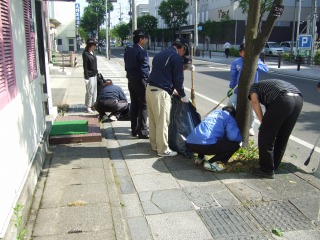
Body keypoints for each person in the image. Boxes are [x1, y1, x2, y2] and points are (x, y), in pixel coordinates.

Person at [248, 79, 303, 179]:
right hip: (298, 98)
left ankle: (266, 170)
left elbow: (255, 102)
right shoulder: (269, 87)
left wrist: (262, 121)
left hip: (283, 99)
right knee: (282, 136)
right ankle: (274, 166)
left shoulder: (253, 87)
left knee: (265, 136)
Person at [146, 40, 189, 157]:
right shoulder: (176, 57)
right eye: (183, 53)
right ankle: (163, 149)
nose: (182, 56)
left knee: (153, 120)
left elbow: (163, 72)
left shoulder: (160, 54)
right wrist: (183, 95)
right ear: (182, 49)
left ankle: (155, 145)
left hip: (149, 89)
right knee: (163, 122)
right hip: (160, 92)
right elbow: (178, 80)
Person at [227, 43, 269, 136]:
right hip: (237, 89)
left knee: (251, 109)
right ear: (240, 53)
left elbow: (266, 69)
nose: (245, 54)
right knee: (230, 104)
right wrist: (231, 88)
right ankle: (232, 123)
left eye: (247, 52)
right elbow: (233, 76)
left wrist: (255, 65)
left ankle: (250, 127)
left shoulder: (256, 61)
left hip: (252, 90)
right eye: (243, 52)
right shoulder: (236, 62)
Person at [186, 106, 242, 172]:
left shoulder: (213, 114)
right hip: (205, 146)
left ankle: (200, 158)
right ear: (233, 114)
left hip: (190, 143)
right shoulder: (229, 117)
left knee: (205, 137)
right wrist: (240, 141)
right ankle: (213, 163)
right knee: (234, 145)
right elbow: (233, 137)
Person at [124, 29, 150, 139]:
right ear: (141, 39)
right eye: (145, 39)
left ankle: (134, 129)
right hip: (140, 81)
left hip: (131, 79)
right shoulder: (142, 52)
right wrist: (149, 81)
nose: (146, 41)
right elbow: (145, 69)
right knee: (143, 105)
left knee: (134, 104)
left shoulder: (128, 51)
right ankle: (143, 131)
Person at [82, 38, 98, 114]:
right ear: (90, 45)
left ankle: (93, 105)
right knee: (90, 91)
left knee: (94, 91)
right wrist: (86, 77)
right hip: (89, 75)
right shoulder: (85, 54)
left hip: (94, 74)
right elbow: (85, 66)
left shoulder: (93, 52)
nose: (95, 46)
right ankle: (88, 107)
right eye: (94, 45)